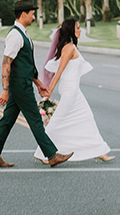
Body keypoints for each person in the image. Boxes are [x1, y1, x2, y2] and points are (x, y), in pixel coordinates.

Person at [0, 0, 73, 168]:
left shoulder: (23, 33)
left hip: (24, 82)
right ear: (24, 14)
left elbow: (25, 64)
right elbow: (6, 63)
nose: (34, 17)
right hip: (19, 85)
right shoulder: (15, 35)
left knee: (8, 120)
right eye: (32, 14)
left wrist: (38, 83)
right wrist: (5, 90)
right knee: (34, 119)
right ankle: (52, 155)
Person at [34, 18, 115, 164]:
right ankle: (41, 153)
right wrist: (49, 91)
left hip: (74, 90)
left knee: (87, 118)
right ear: (71, 30)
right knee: (57, 121)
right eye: (77, 27)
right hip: (69, 89)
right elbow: (59, 71)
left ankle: (100, 151)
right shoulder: (69, 47)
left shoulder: (69, 46)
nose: (80, 30)